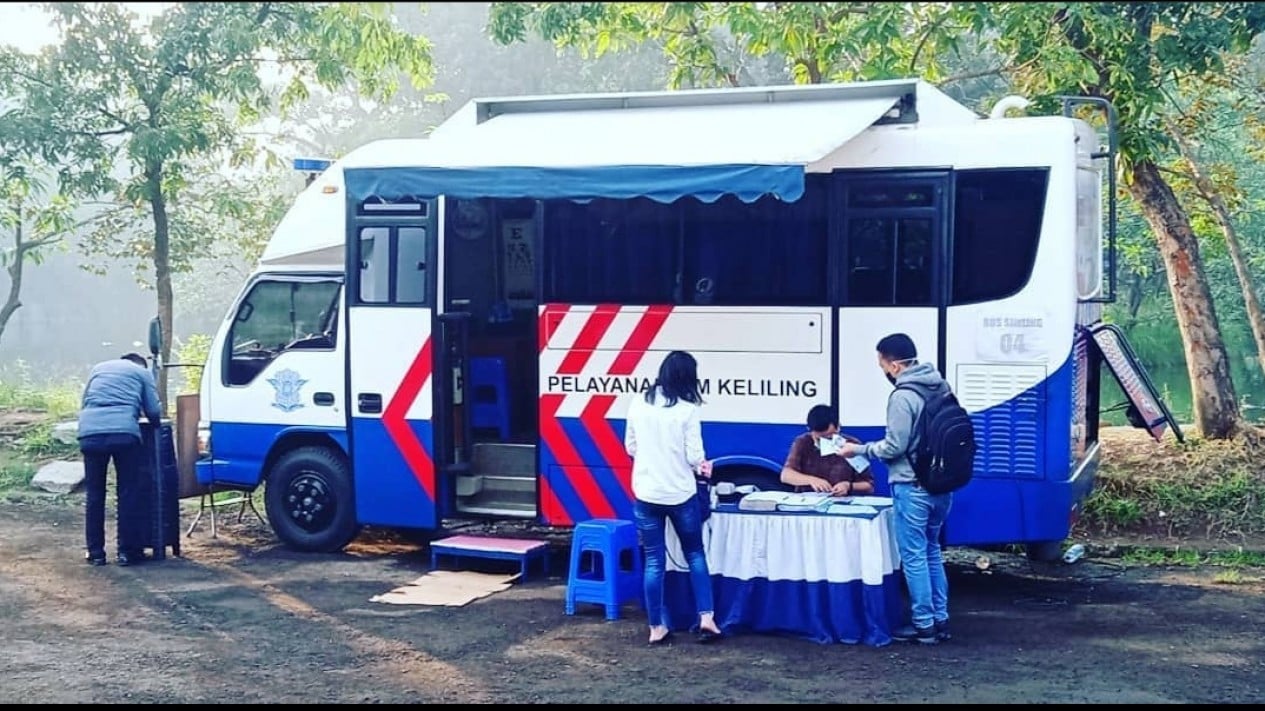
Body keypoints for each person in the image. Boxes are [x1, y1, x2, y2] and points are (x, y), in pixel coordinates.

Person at [839, 333, 953, 645]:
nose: (884, 371)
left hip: (912, 486)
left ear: (895, 364)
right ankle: (940, 619)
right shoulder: (939, 386)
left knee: (913, 556)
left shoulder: (903, 396)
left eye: (883, 365)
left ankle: (923, 625)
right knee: (932, 551)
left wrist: (859, 451)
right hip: (942, 485)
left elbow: (894, 447)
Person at [624, 350, 723, 646]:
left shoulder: (638, 402)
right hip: (680, 494)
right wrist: (702, 466)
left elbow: (630, 446)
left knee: (654, 560)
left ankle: (656, 627)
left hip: (646, 493)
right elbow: (695, 456)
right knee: (695, 554)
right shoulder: (688, 409)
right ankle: (706, 618)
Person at [77, 352, 163, 567]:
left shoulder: (99, 367)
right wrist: (154, 424)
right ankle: (128, 552)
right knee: (128, 492)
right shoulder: (142, 372)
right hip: (123, 434)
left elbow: (84, 402)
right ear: (140, 364)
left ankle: (95, 552)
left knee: (95, 494)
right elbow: (153, 409)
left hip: (90, 433)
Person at [780, 404, 875, 496]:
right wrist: (812, 480)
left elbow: (868, 486)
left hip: (841, 503)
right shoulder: (803, 442)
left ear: (838, 427)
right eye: (819, 439)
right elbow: (786, 475)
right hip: (809, 502)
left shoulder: (852, 445)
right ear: (809, 430)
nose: (824, 443)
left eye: (829, 438)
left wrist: (848, 486)